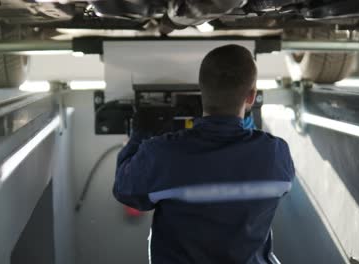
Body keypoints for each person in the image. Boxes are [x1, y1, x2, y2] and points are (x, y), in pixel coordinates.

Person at [113, 44, 295, 264]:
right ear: (251, 96)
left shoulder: (162, 155)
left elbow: (125, 189)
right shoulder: (276, 155)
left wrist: (139, 135)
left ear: (202, 92)